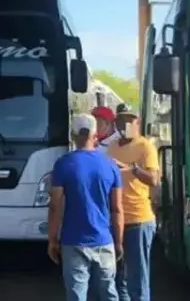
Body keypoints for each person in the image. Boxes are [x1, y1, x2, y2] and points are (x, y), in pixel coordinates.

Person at [48, 113, 124, 301]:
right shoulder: (110, 165)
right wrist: (119, 242)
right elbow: (117, 209)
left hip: (73, 241)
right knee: (108, 292)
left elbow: (55, 206)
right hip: (104, 240)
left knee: (76, 294)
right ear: (95, 135)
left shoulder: (63, 164)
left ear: (73, 136)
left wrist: (52, 239)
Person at [106, 109, 159, 301]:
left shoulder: (145, 147)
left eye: (129, 122)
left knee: (138, 278)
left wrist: (133, 169)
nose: (124, 126)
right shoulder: (112, 146)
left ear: (137, 124)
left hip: (139, 220)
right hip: (115, 220)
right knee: (118, 277)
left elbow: (154, 180)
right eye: (121, 122)